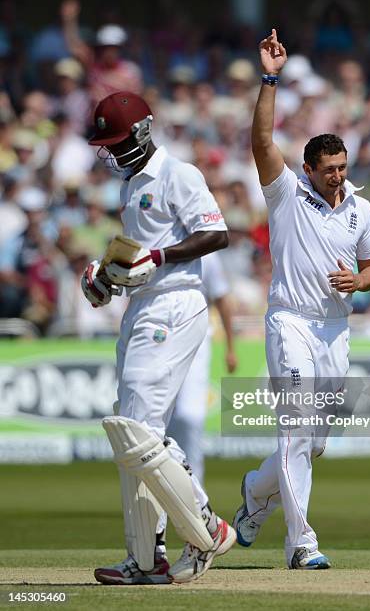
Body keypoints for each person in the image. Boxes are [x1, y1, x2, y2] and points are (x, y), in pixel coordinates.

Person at [232, 30, 370, 570]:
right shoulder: (286, 193)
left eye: (343, 167)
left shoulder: (360, 208)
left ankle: (254, 494)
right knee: (295, 429)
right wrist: (270, 78)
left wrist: (360, 284)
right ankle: (302, 544)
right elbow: (261, 142)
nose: (339, 176)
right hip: (290, 323)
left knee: (312, 444)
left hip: (335, 330)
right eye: (329, 170)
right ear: (309, 170)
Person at [81, 91, 236, 585]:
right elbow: (136, 254)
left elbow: (217, 234)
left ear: (143, 131)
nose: (109, 153)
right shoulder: (130, 188)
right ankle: (146, 560)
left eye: (116, 141)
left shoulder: (179, 173)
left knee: (136, 431)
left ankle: (207, 526)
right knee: (132, 431)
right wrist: (106, 277)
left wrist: (161, 258)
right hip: (141, 308)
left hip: (175, 304)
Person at [168, 250, 237, 483]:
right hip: (159, 342)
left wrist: (230, 347)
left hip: (197, 343)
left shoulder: (207, 256)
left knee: (190, 416)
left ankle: (194, 491)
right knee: (161, 421)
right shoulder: (157, 243)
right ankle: (163, 488)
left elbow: (222, 300)